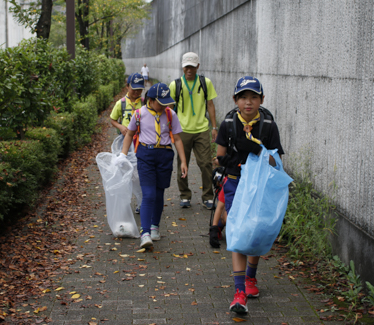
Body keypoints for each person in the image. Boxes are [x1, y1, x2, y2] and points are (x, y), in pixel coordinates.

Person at [214, 76, 284, 314]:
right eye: (243, 97)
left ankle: (251, 278)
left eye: (254, 97)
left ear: (261, 99)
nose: (248, 102)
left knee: (256, 230)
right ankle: (239, 291)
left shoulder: (268, 126)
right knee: (238, 231)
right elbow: (220, 157)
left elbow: (277, 162)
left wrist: (259, 151)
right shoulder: (228, 124)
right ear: (235, 100)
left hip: (260, 186)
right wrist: (232, 162)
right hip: (235, 184)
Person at [121, 83, 188, 249]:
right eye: (161, 102)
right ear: (150, 100)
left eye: (167, 102)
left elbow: (178, 139)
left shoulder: (170, 114)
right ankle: (145, 233)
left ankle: (155, 227)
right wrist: (123, 155)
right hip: (145, 155)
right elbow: (130, 134)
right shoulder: (139, 114)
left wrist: (184, 161)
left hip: (164, 155)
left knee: (159, 194)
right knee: (149, 194)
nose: (165, 105)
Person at [168, 52, 218, 209]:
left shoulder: (205, 83)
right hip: (182, 131)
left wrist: (214, 127)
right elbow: (169, 109)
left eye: (192, 66)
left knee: (205, 164)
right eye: (186, 66)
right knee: (182, 164)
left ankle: (208, 196)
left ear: (198, 66)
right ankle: (184, 195)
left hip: (202, 129)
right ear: (183, 67)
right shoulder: (175, 85)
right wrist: (168, 130)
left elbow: (210, 104)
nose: (189, 69)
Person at [110, 73, 145, 213]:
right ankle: (125, 201)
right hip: (126, 143)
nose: (136, 92)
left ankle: (141, 202)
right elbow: (112, 119)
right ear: (127, 86)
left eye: (139, 89)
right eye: (133, 89)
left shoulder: (144, 102)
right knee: (127, 172)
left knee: (139, 173)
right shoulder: (121, 103)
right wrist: (120, 127)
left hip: (141, 141)